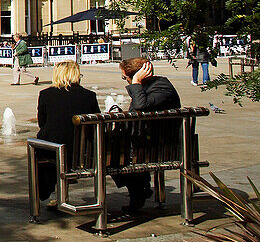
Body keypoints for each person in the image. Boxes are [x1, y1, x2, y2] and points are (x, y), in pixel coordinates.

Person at [113, 57, 181, 213]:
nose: (127, 81)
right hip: (146, 143)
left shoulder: (161, 87)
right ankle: (139, 189)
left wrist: (136, 82)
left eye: (125, 77)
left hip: (159, 146)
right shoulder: (150, 88)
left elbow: (141, 106)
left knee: (112, 154)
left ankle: (139, 190)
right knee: (111, 147)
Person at [34, 61, 100, 204]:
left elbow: (42, 124)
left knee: (41, 144)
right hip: (83, 153)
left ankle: (46, 191)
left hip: (54, 152)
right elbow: (95, 122)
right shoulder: (89, 95)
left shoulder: (46, 94)